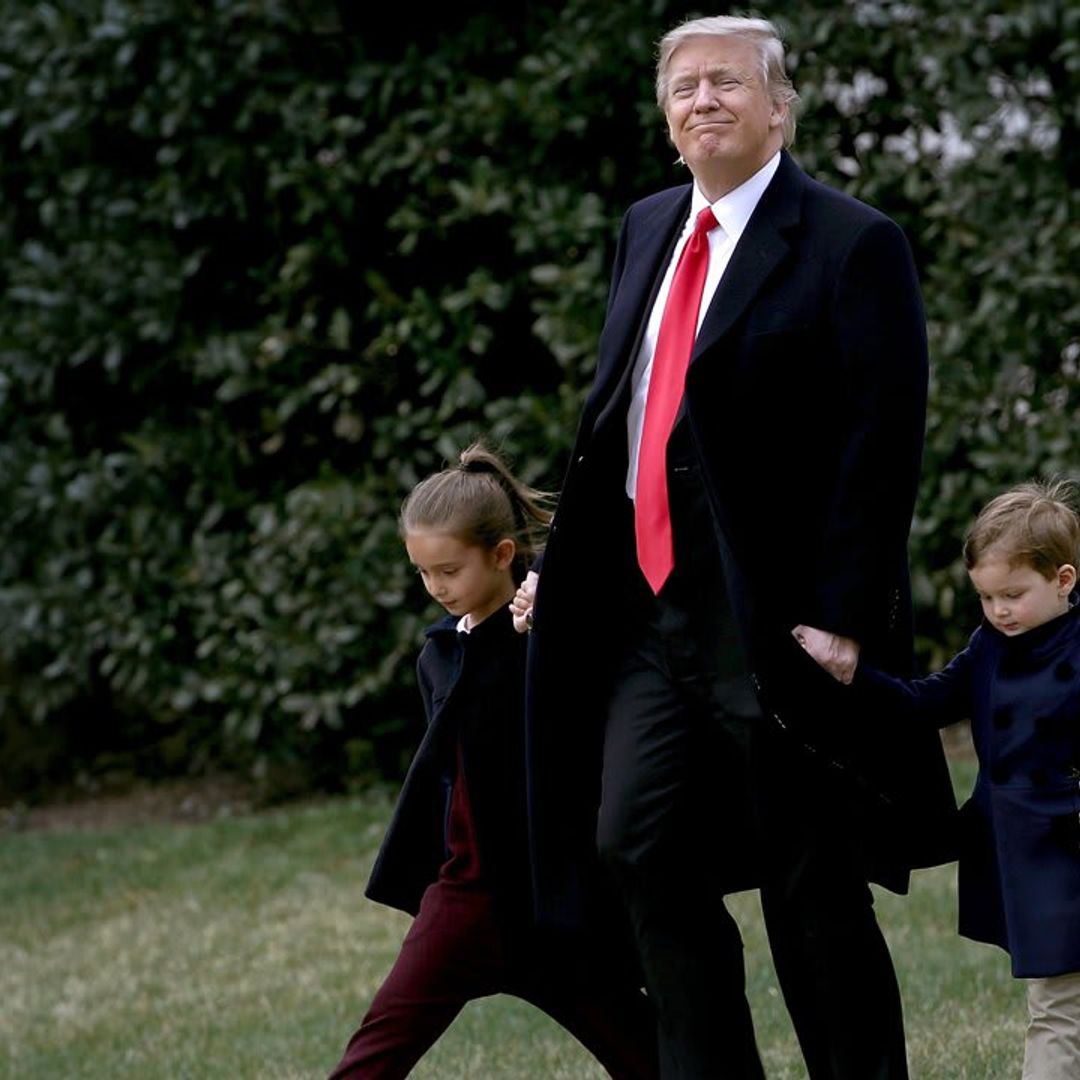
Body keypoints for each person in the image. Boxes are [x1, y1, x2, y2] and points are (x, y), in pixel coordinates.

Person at [512, 14, 956, 1079]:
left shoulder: (854, 241)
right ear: (667, 118)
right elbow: (619, 417)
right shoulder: (648, 224)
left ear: (779, 107)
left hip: (778, 615)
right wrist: (559, 570)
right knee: (637, 844)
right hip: (646, 610)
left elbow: (881, 440)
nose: (702, 101)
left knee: (811, 880)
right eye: (684, 87)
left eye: (725, 83)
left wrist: (846, 613)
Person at [327, 443, 657, 1080]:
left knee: (647, 1053)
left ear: (502, 554)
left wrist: (554, 614)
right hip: (464, 903)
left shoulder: (550, 644)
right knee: (375, 1052)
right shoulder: (439, 657)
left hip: (551, 903)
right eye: (422, 573)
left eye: (448, 571)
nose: (435, 588)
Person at [839, 479, 1080, 1080]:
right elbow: (922, 704)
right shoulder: (989, 648)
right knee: (1055, 999)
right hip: (1028, 860)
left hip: (1069, 843)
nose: (999, 611)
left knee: (1059, 1010)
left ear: (1064, 580)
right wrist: (849, 674)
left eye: (1013, 595)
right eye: (986, 597)